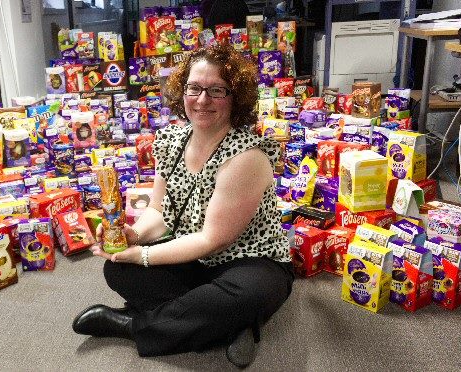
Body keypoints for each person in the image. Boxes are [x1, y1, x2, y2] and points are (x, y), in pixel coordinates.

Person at [72, 44, 294, 368]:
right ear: (182, 90)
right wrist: (134, 236)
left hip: (251, 263)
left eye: (216, 90)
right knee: (118, 268)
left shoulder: (246, 157)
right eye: (194, 88)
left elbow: (212, 239)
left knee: (243, 296)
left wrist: (145, 255)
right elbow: (159, 212)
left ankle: (132, 325)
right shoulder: (171, 142)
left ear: (235, 97)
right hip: (195, 259)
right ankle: (228, 323)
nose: (202, 100)